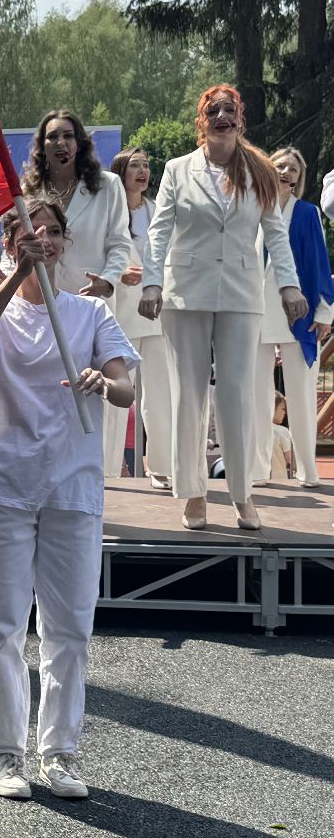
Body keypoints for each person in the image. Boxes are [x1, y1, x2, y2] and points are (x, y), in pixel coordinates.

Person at [0, 200, 137, 800]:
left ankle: (59, 753)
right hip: (4, 481)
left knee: (68, 628)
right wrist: (18, 276)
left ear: (65, 242)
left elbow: (126, 386)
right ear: (11, 243)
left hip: (72, 484)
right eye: (30, 232)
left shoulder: (88, 313)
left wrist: (105, 382)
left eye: (54, 231)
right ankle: (9, 754)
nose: (44, 239)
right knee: (3, 624)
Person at [139, 85, 308, 531]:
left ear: (240, 119)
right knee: (189, 395)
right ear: (202, 120)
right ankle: (193, 494)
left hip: (240, 292)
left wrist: (289, 286)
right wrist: (152, 283)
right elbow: (158, 232)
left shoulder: (260, 170)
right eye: (212, 111)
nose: (221, 117)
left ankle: (241, 493)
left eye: (229, 110)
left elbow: (275, 233)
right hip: (184, 292)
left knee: (236, 395)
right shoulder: (178, 169)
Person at [249, 146, 333, 489]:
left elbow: (319, 262)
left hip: (298, 316)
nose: (286, 172)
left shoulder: (307, 213)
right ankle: (258, 468)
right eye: (280, 166)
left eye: (293, 169)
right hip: (254, 314)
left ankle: (307, 470)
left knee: (300, 394)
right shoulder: (252, 210)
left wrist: (325, 311)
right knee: (256, 395)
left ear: (300, 178)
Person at [21, 110, 133, 308]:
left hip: (91, 300)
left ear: (80, 143)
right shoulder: (29, 191)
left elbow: (120, 244)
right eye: (52, 137)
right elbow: (15, 244)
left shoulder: (108, 185)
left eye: (68, 135)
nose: (60, 142)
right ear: (42, 147)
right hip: (40, 300)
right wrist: (7, 276)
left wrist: (107, 281)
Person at [110, 146, 174, 489]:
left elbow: (171, 253)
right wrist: (120, 273)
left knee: (160, 393)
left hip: (158, 313)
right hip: (121, 314)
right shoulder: (111, 211)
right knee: (119, 395)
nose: (143, 171)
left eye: (147, 165)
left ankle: (161, 466)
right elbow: (104, 252)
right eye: (135, 165)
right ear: (121, 172)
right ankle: (107, 468)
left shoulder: (158, 210)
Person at [268, 391, 294, 481]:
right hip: (279, 481)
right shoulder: (282, 431)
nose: (284, 413)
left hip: (254, 481)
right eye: (282, 409)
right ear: (272, 408)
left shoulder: (254, 430)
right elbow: (291, 460)